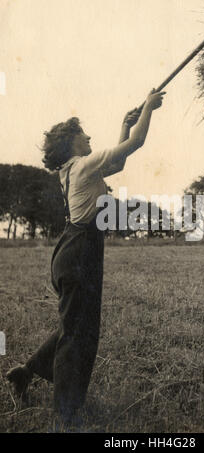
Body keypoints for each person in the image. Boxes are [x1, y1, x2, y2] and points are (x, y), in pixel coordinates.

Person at [6, 89, 166, 426]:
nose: (90, 136)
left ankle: (26, 372)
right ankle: (66, 411)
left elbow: (119, 160)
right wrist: (149, 108)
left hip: (74, 251)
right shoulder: (81, 167)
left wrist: (125, 125)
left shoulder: (76, 169)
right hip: (79, 253)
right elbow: (135, 147)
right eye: (84, 134)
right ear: (72, 143)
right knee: (78, 333)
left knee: (75, 324)